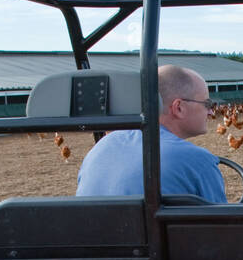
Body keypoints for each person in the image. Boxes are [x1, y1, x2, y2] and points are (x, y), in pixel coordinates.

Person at [76, 65, 227, 202]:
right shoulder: (197, 161)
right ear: (179, 107)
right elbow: (222, 228)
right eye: (207, 104)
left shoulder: (101, 147)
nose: (211, 111)